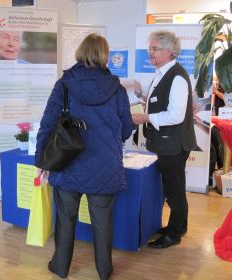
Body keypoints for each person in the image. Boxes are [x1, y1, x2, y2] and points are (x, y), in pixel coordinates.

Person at [35, 33, 133, 279]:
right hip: (105, 166)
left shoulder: (64, 85)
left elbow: (47, 124)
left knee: (65, 220)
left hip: (67, 163)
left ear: (80, 52)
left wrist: (41, 161)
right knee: (102, 223)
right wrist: (109, 143)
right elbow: (127, 127)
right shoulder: (117, 88)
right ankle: (104, 271)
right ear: (104, 55)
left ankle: (60, 267)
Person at [132, 30, 197, 249]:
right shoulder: (163, 73)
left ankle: (174, 234)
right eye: (150, 48)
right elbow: (162, 104)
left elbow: (176, 115)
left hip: (174, 144)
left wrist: (146, 116)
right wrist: (142, 99)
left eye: (154, 49)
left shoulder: (176, 76)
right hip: (168, 143)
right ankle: (179, 226)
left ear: (168, 51)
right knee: (174, 189)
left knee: (174, 192)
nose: (150, 53)